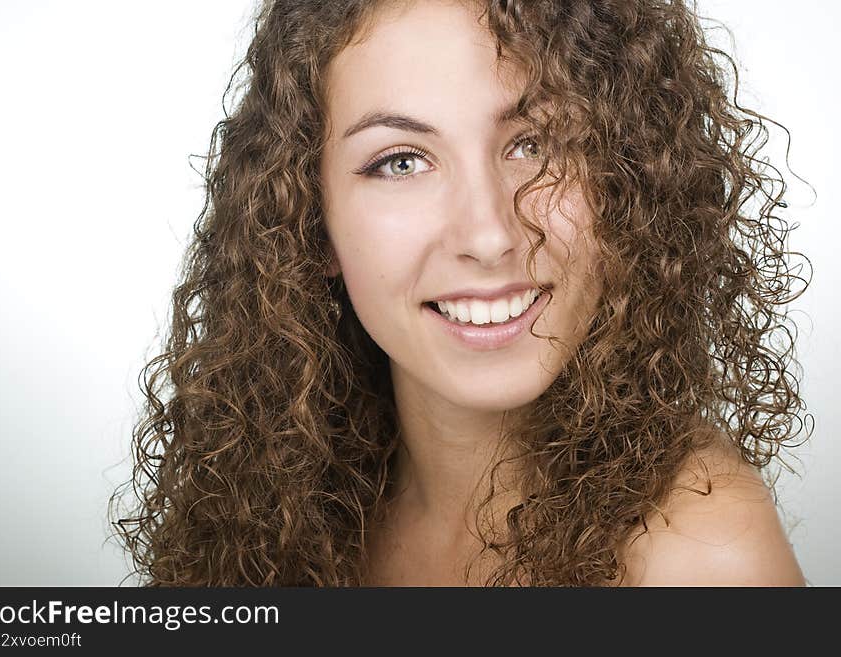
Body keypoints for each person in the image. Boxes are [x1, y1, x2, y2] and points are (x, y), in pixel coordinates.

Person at [111, 0, 811, 586]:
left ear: (626, 176)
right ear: (309, 220)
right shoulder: (274, 507)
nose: (488, 233)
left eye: (535, 142)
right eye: (401, 161)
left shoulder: (701, 555)